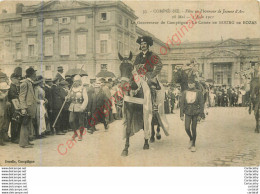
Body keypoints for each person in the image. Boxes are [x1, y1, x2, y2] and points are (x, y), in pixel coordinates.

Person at [133, 36, 163, 110]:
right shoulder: (138, 56)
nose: (143, 45)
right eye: (141, 44)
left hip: (149, 75)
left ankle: (154, 103)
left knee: (151, 84)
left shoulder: (153, 55)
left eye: (144, 43)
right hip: (139, 76)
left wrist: (153, 75)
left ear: (148, 45)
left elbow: (159, 65)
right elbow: (134, 66)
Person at [180, 78, 204, 152]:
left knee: (193, 128)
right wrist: (181, 114)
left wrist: (200, 114)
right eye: (189, 83)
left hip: (196, 112)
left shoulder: (199, 92)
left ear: (194, 84)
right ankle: (191, 138)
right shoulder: (184, 92)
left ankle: (193, 144)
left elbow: (201, 104)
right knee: (187, 128)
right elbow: (182, 104)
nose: (190, 85)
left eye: (192, 83)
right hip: (187, 112)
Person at [19, 67, 37, 148]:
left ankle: (27, 141)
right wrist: (23, 108)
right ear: (32, 74)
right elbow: (22, 97)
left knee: (28, 125)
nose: (36, 75)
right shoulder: (24, 83)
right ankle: (23, 143)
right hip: (27, 107)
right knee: (25, 125)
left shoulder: (29, 83)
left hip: (30, 107)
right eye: (35, 74)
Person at [67, 75, 88, 141]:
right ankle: (75, 133)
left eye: (76, 81)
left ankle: (81, 135)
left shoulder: (83, 89)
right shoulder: (71, 89)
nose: (75, 83)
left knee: (81, 122)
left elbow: (86, 99)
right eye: (74, 81)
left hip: (80, 107)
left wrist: (83, 107)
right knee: (71, 121)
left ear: (79, 82)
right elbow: (69, 98)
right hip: (72, 107)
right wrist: (67, 98)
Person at [8, 73, 22, 143]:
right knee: (14, 122)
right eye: (16, 79)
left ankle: (16, 137)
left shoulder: (16, 86)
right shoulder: (11, 87)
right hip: (13, 107)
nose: (18, 80)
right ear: (12, 79)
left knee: (17, 121)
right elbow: (12, 96)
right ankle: (14, 138)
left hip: (17, 106)